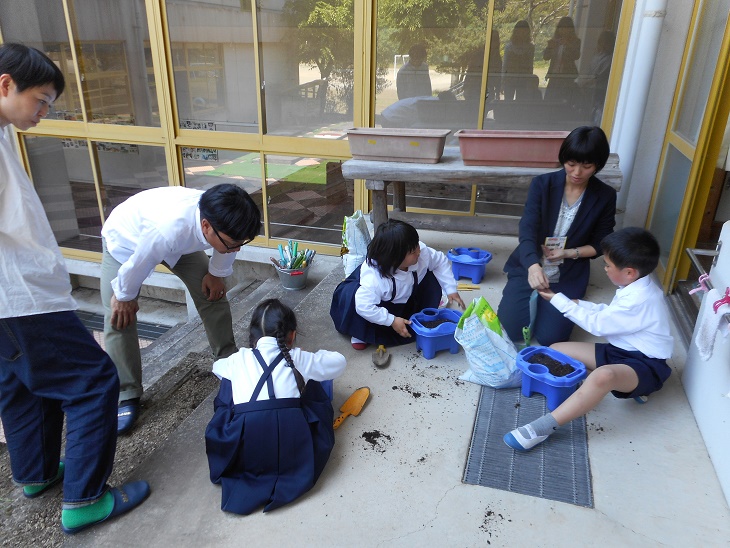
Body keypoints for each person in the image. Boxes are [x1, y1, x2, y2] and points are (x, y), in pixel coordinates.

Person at [0, 42, 149, 535]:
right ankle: (84, 499)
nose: (44, 112)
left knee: (24, 385)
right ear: (6, 85)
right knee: (94, 381)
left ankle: (37, 472)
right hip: (20, 297)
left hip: (13, 299)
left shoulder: (3, 127)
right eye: (41, 100)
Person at [101, 183, 261, 434]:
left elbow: (228, 245)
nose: (237, 248)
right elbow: (140, 262)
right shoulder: (167, 229)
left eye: (242, 242)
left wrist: (216, 273)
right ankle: (126, 393)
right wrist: (123, 296)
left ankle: (227, 361)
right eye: (234, 243)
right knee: (120, 315)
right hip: (127, 241)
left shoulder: (221, 219)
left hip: (181, 244)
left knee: (212, 294)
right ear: (206, 226)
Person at [504, 227, 674, 451]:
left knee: (603, 376)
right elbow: (608, 313)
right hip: (619, 352)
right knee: (555, 349)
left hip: (646, 365)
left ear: (629, 272)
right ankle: (598, 388)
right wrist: (577, 303)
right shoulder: (635, 285)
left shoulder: (641, 298)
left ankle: (542, 428)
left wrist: (558, 301)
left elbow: (597, 325)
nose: (604, 268)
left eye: (608, 265)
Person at [205, 298, 346, 514]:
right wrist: (305, 357)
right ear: (292, 335)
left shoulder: (238, 359)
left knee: (228, 386)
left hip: (248, 442)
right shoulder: (298, 358)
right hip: (294, 442)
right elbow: (339, 362)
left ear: (253, 337)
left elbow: (217, 367)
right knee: (311, 383)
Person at [496, 126, 616, 347]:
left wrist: (570, 253)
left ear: (597, 165)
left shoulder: (604, 195)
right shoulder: (543, 184)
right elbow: (528, 229)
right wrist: (533, 266)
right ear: (563, 159)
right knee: (510, 329)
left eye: (586, 166)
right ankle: (530, 293)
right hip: (531, 261)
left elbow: (602, 242)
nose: (577, 172)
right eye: (571, 163)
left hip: (568, 270)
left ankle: (546, 305)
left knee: (551, 338)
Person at [330, 219, 465, 350]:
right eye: (413, 252)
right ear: (394, 258)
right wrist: (392, 320)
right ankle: (360, 334)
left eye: (417, 245)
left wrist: (450, 288)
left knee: (431, 278)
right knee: (356, 303)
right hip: (375, 304)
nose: (418, 251)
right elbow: (364, 307)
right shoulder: (375, 279)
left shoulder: (420, 253)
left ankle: (417, 317)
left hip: (405, 297)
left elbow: (440, 261)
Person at [542, 16, 581, 102]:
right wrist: (549, 47)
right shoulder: (554, 41)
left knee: (564, 101)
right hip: (554, 76)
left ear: (570, 29)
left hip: (567, 77)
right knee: (549, 100)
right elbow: (546, 57)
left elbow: (576, 56)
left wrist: (567, 45)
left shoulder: (576, 41)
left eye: (565, 28)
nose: (563, 30)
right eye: (561, 28)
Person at [501, 20, 535, 102]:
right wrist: (503, 80)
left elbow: (530, 65)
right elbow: (505, 65)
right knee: (508, 102)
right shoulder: (509, 47)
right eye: (520, 31)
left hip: (523, 80)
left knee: (521, 102)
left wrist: (529, 80)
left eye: (524, 31)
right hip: (510, 79)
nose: (522, 34)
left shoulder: (530, 47)